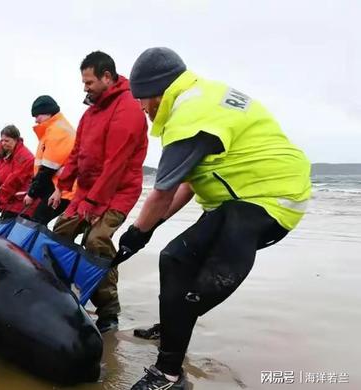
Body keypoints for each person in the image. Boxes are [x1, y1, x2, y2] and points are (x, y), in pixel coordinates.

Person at [118, 47, 312, 390]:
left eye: (142, 99)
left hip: (268, 200)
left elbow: (162, 191)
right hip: (242, 199)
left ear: (158, 91)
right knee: (174, 257)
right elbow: (190, 184)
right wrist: (154, 226)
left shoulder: (189, 116)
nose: (141, 107)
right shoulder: (200, 97)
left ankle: (167, 375)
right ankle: (174, 327)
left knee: (197, 282)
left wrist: (136, 233)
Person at [49, 51, 148, 333]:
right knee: (59, 233)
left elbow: (115, 164)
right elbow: (78, 153)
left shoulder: (128, 108)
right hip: (88, 191)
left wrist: (94, 205)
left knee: (97, 242)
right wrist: (63, 186)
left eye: (89, 82)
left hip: (118, 192)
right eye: (83, 82)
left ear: (107, 77)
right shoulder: (91, 112)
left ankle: (108, 312)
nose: (85, 87)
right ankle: (59, 294)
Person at [22, 95, 76, 225]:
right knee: (39, 221)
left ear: (47, 112)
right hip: (60, 188)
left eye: (37, 116)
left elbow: (47, 170)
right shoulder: (56, 129)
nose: (35, 120)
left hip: (64, 191)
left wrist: (32, 194)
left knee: (37, 222)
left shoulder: (57, 132)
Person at [0, 125, 35, 219]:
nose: (3, 143)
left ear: (16, 140)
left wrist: (0, 202)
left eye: (7, 141)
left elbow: (14, 180)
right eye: (2, 140)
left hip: (21, 203)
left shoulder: (26, 158)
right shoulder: (3, 155)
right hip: (8, 201)